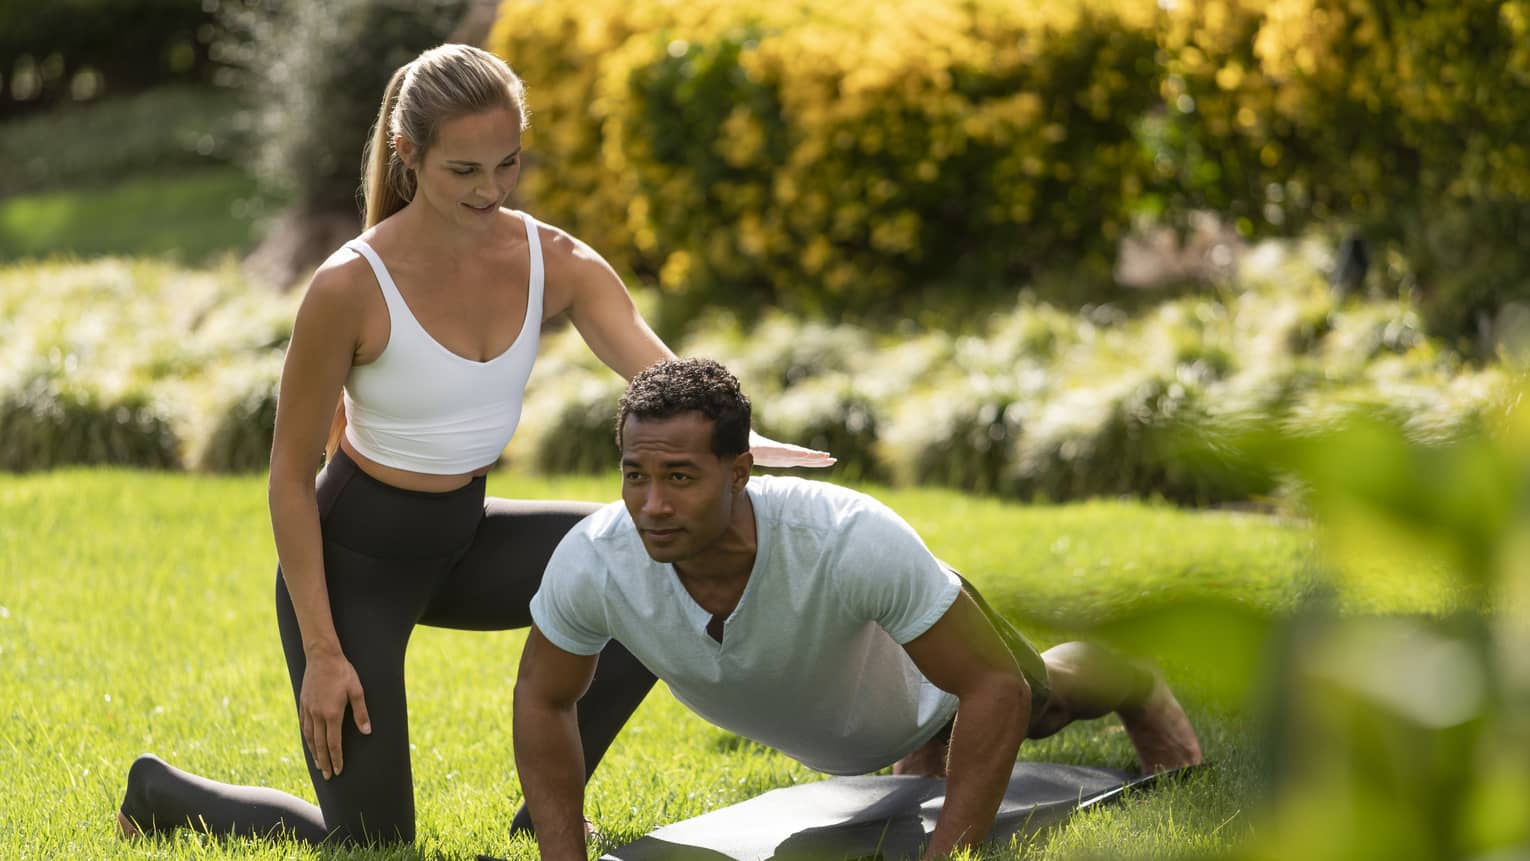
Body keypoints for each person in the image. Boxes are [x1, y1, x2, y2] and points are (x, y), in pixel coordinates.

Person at [115, 44, 830, 846]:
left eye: (508, 164)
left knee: (652, 566)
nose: (491, 190)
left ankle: (548, 802)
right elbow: (288, 475)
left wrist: (750, 446)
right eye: (464, 171)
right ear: (408, 156)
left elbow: (667, 376)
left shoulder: (553, 261)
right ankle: (163, 792)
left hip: (467, 536)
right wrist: (322, 648)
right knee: (377, 845)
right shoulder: (350, 286)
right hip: (356, 573)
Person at [514, 358, 1203, 861]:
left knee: (1041, 704)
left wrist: (946, 857)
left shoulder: (846, 539)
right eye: (636, 474)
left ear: (741, 471)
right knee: (925, 754)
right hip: (872, 706)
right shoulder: (597, 558)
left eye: (681, 477)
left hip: (935, 649)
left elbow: (995, 685)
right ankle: (924, 746)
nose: (652, 505)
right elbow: (544, 699)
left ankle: (1135, 682)